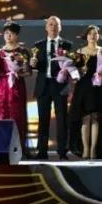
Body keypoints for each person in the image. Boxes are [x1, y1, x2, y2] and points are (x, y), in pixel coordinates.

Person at [31, 16, 74, 161]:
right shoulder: (38, 45)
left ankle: (62, 151)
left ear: (60, 27)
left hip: (60, 85)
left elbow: (71, 64)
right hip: (43, 85)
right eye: (50, 24)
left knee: (62, 119)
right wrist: (33, 63)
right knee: (43, 119)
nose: (53, 27)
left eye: (56, 25)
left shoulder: (67, 45)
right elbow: (36, 66)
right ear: (46, 27)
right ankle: (42, 151)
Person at [71, 25, 102, 160]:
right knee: (85, 118)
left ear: (98, 36)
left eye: (95, 34)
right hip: (83, 87)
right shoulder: (79, 51)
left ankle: (94, 149)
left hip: (98, 86)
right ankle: (85, 148)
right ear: (86, 36)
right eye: (90, 33)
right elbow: (74, 70)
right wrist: (79, 71)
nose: (93, 36)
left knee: (95, 117)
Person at [0, 21, 31, 151]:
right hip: (2, 87)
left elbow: (28, 72)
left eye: (11, 33)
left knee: (17, 114)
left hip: (17, 86)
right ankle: (2, 146)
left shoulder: (23, 51)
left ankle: (18, 147)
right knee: (2, 114)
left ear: (17, 35)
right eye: (6, 33)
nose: (8, 36)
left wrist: (19, 73)